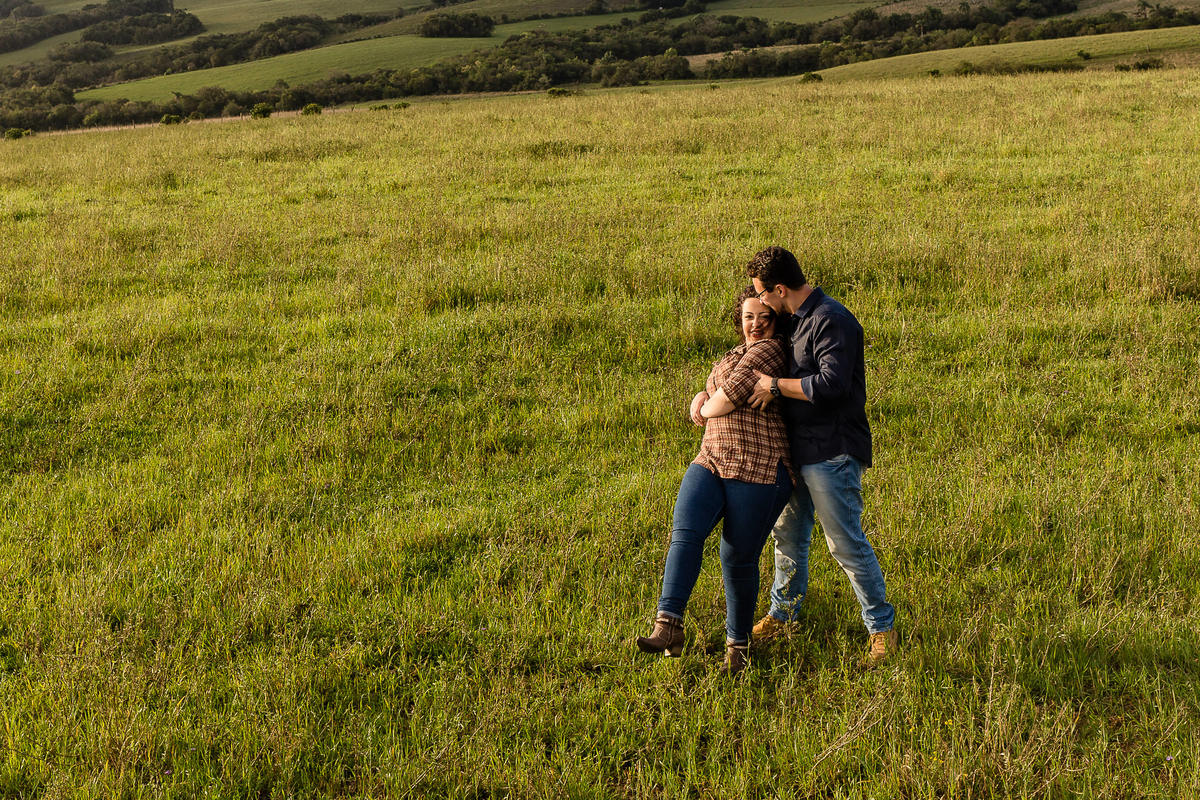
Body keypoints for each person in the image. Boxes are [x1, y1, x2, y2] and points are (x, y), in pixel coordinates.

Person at [744, 246, 899, 667]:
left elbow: (832, 385)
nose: (761, 305)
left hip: (832, 450)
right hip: (794, 451)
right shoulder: (793, 321)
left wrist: (776, 385)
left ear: (779, 289)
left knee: (844, 542)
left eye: (763, 295)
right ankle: (783, 612)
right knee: (788, 539)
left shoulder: (833, 319)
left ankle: (881, 628)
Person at [636, 286, 794, 674]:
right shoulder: (734, 354)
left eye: (763, 317)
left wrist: (705, 405)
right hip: (712, 457)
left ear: (776, 321)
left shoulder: (772, 351)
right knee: (685, 533)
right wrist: (701, 395)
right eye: (748, 317)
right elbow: (715, 389)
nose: (755, 324)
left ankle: (737, 649)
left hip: (758, 463)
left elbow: (729, 396)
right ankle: (668, 624)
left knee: (736, 558)